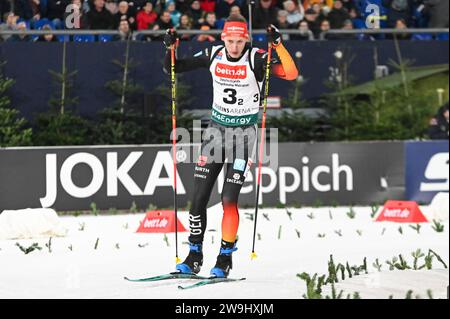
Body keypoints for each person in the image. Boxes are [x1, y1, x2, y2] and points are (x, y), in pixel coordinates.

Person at [162, 13, 298, 278]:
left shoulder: (257, 57)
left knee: (228, 199)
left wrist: (279, 45)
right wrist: (169, 47)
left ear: (245, 39)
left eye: (239, 41)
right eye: (230, 41)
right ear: (223, 38)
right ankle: (194, 255)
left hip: (244, 135)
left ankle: (224, 258)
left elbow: (291, 73)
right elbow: (173, 67)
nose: (234, 46)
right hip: (215, 132)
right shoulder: (214, 54)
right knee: (198, 198)